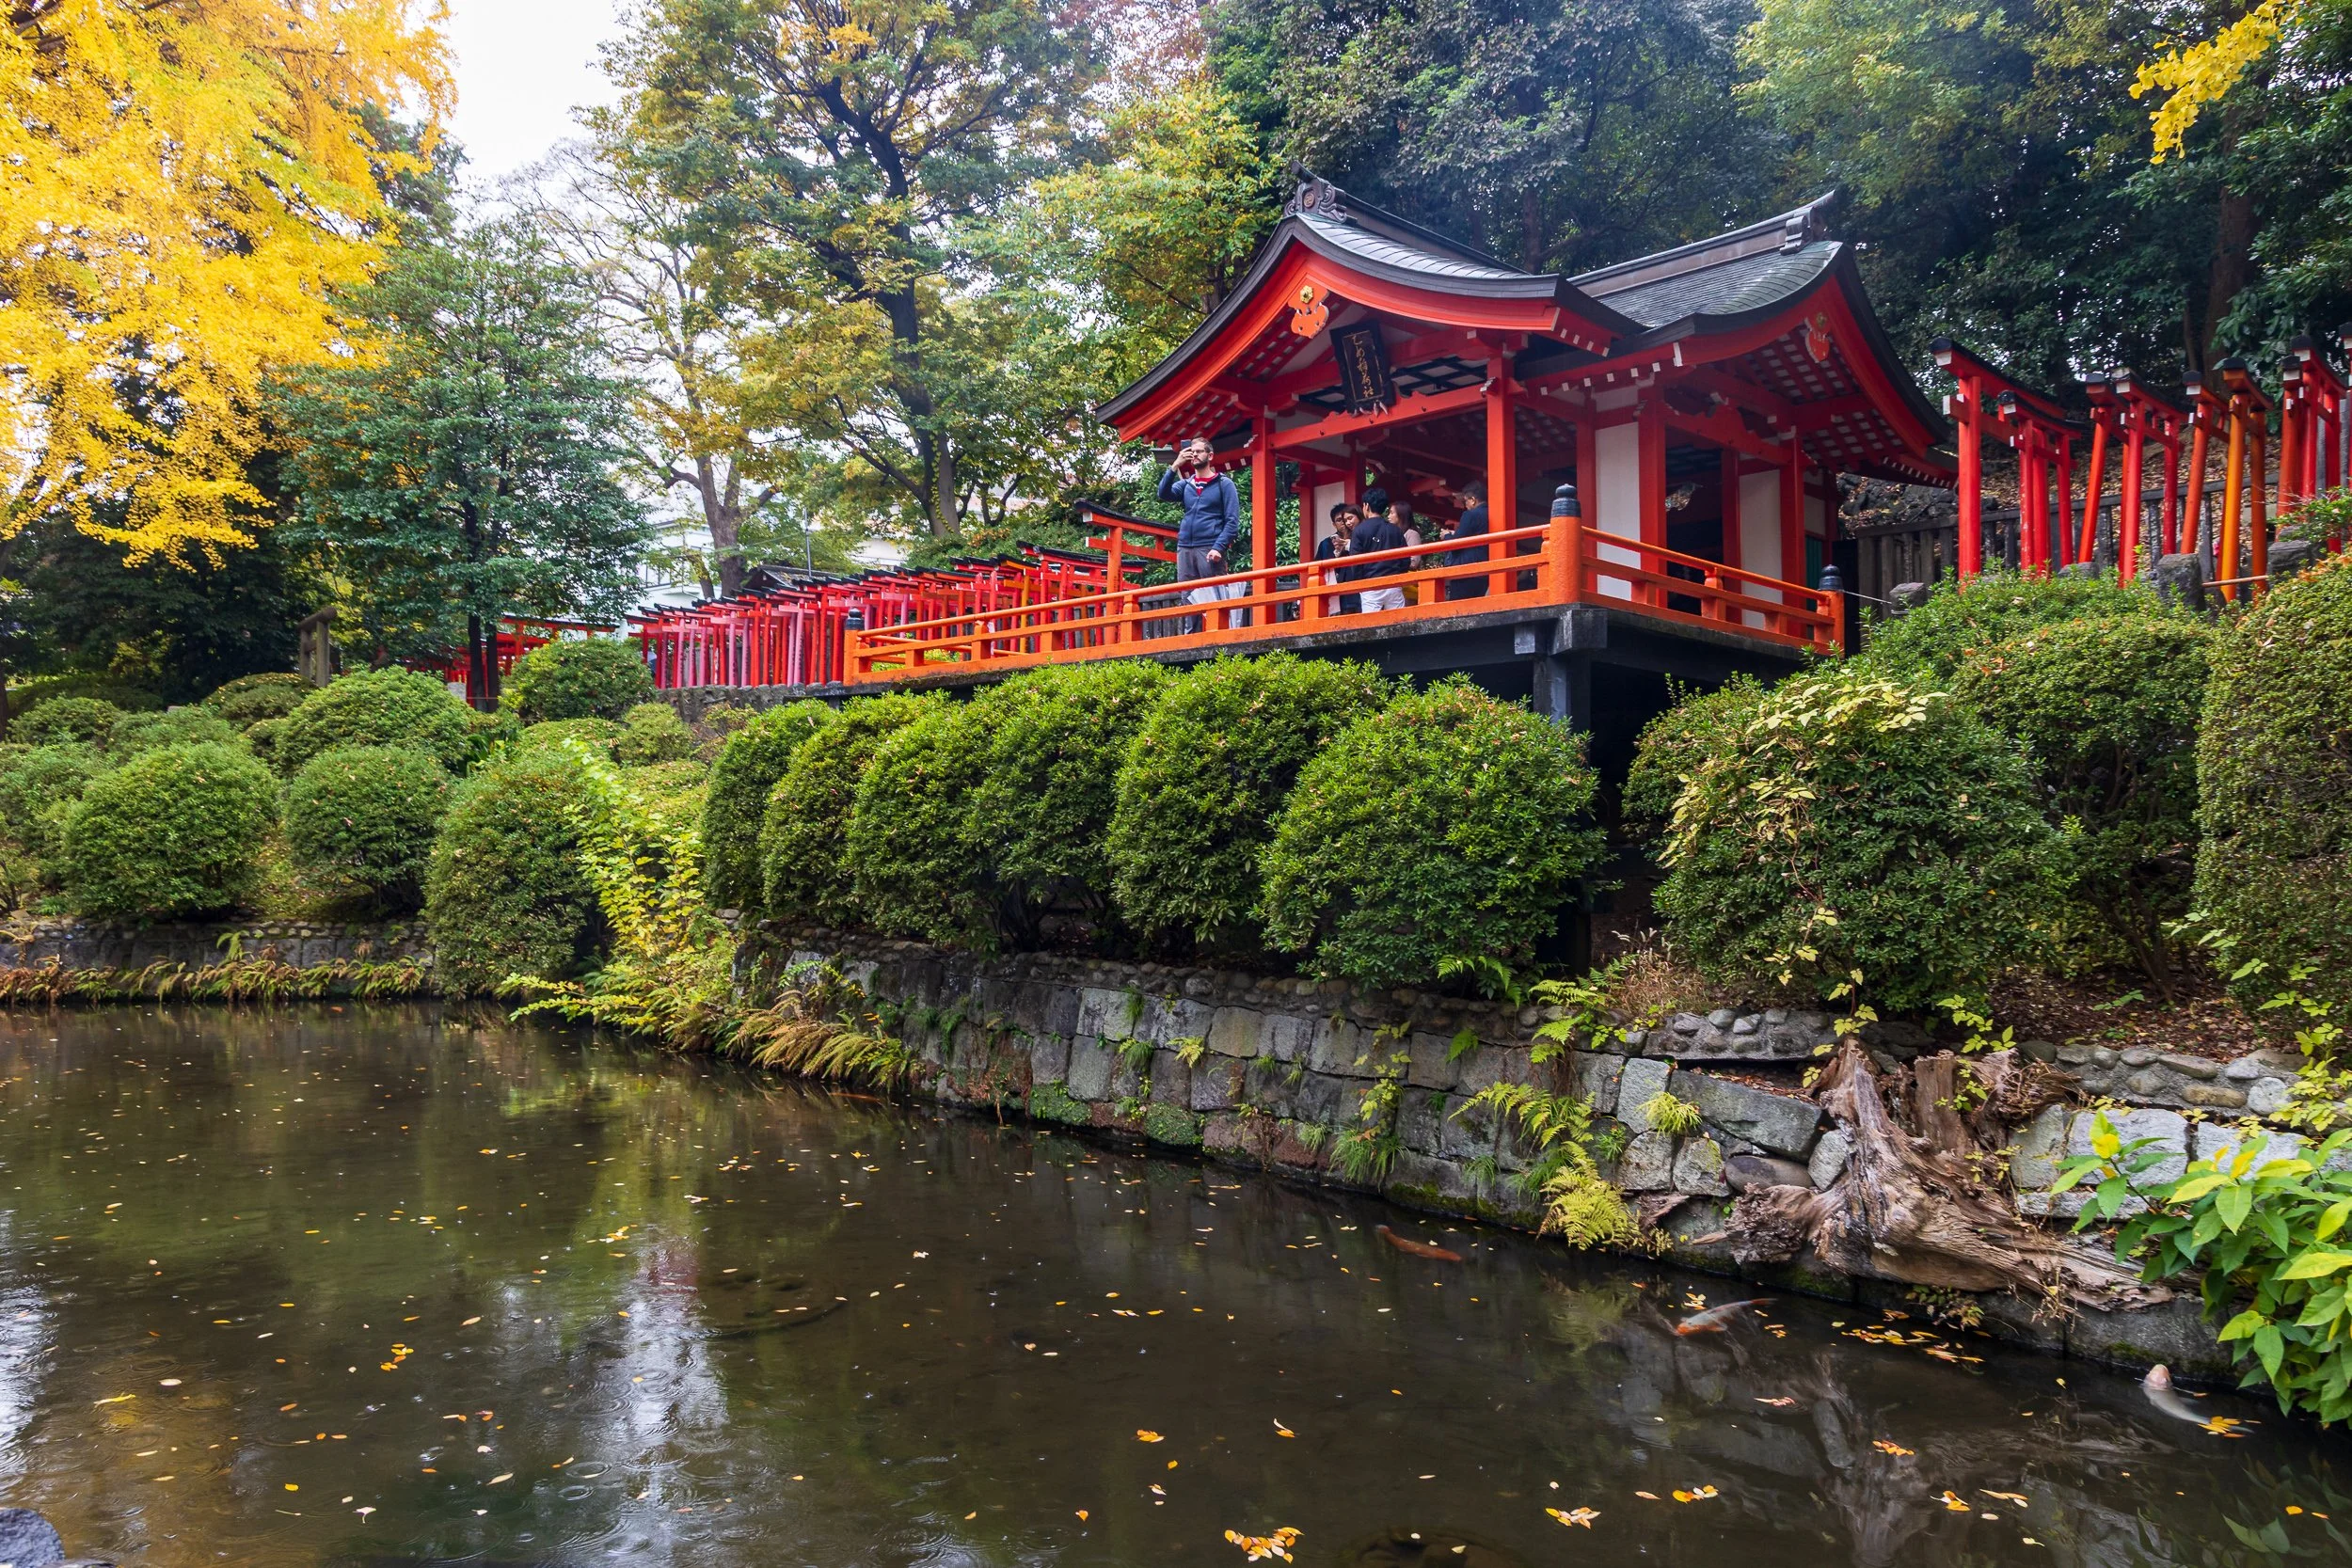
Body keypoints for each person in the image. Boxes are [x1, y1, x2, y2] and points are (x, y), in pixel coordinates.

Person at [1156, 437, 1241, 633]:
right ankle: (1191, 642)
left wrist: (1218, 547)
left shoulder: (1224, 484)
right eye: (1192, 452)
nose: (1194, 455)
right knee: (1188, 598)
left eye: (1199, 451)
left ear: (1210, 456)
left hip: (1210, 546)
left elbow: (1232, 522)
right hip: (1185, 547)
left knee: (1214, 597)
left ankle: (1219, 641)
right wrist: (1175, 465)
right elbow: (1163, 494)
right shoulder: (1186, 485)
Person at [1350, 487, 1408, 612]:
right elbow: (1405, 559)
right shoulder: (1395, 530)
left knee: (1370, 625)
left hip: (1370, 585)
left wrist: (1360, 583)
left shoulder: (1359, 530)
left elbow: (1355, 563)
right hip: (1393, 583)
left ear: (1366, 506)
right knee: (1398, 623)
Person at [1443, 478, 1492, 600]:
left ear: (1473, 500)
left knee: (1459, 610)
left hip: (1466, 568)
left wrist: (1447, 536)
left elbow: (1456, 544)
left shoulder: (1470, 515)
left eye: (1466, 502)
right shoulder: (1492, 513)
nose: (1465, 505)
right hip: (1485, 568)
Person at [1314, 502, 1362, 615]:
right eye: (1339, 520)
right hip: (1337, 588)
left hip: (1358, 584)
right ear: (1334, 524)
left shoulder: (1360, 537)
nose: (1344, 523)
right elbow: (1318, 567)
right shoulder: (1326, 544)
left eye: (1346, 519)